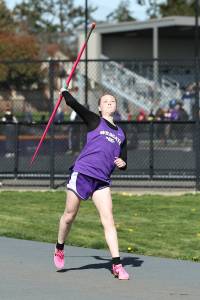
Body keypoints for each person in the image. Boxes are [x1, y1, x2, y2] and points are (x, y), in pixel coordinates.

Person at [54, 88, 129, 280]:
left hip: (102, 181)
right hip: (83, 174)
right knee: (69, 216)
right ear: (99, 107)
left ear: (116, 106)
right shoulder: (95, 121)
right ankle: (60, 247)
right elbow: (75, 105)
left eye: (112, 101)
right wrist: (64, 92)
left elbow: (123, 161)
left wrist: (122, 163)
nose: (110, 103)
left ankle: (117, 264)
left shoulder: (121, 134)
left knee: (109, 220)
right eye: (105, 101)